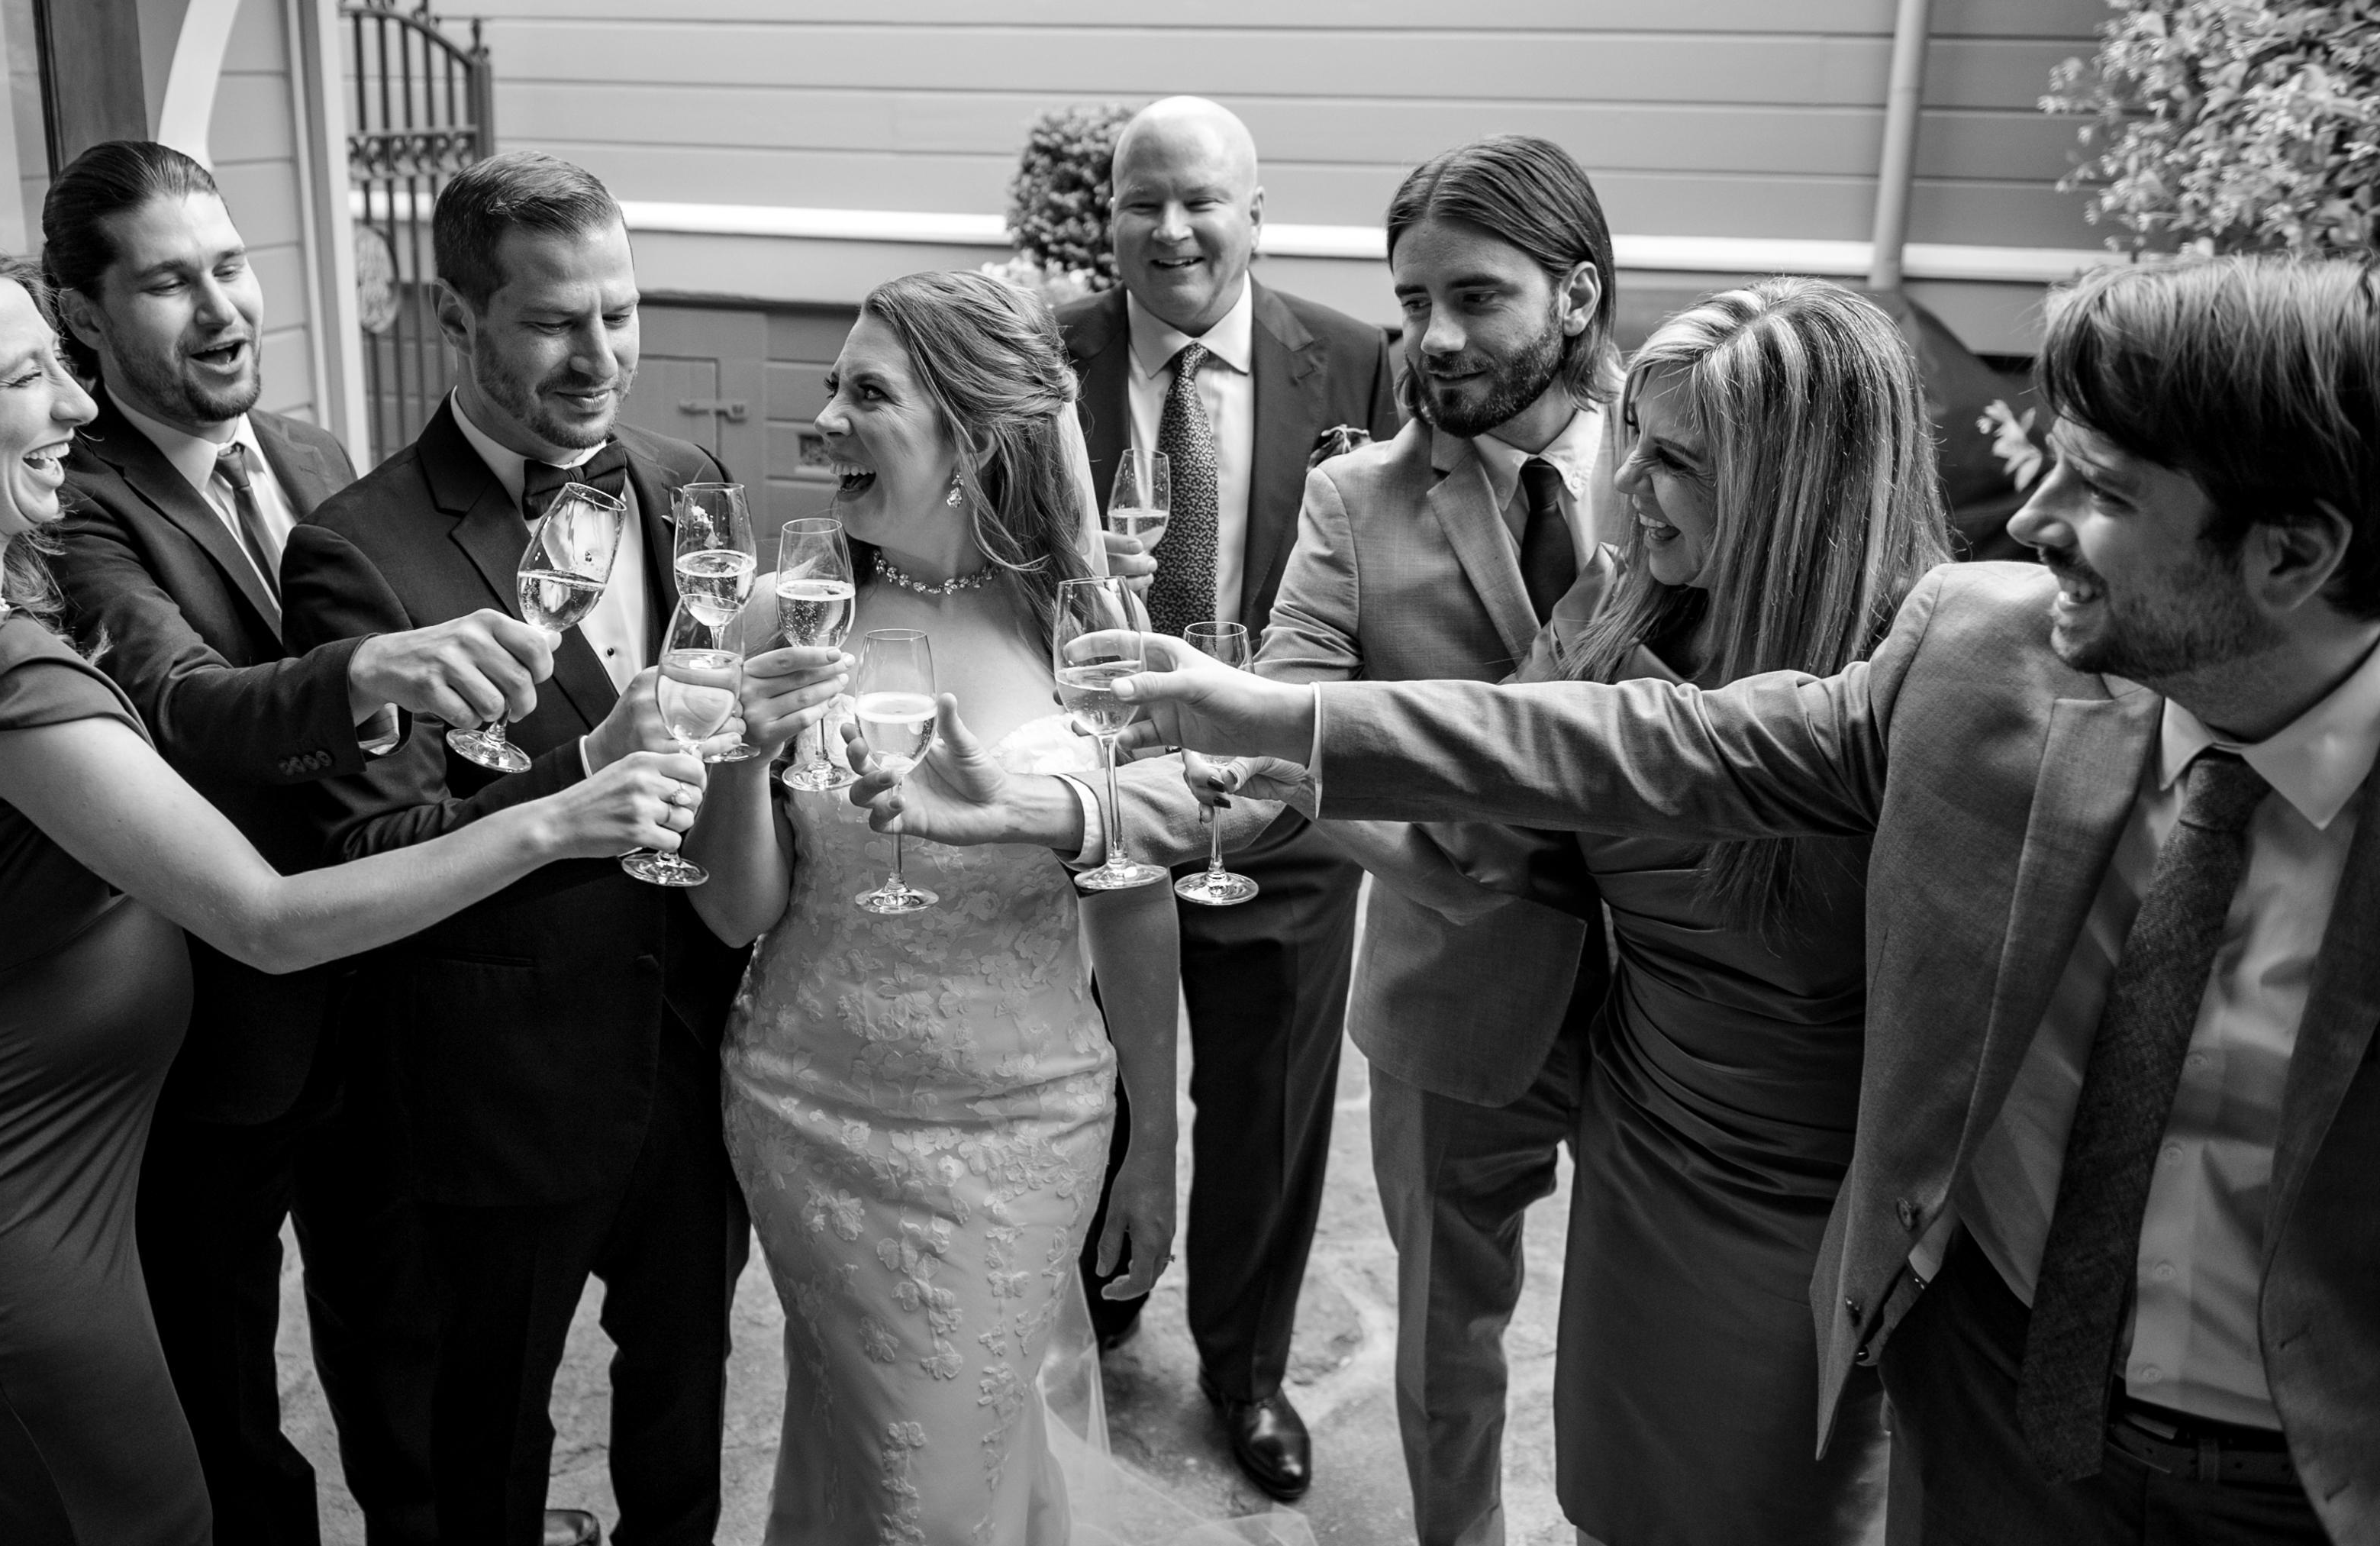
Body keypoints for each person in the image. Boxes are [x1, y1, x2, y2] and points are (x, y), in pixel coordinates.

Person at [1107, 254, 2380, 1546]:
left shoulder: (1971, 642)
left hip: (2278, 1466)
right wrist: (1269, 724)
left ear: (2293, 552)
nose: (2037, 523)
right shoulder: (1987, 651)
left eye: (2101, 489)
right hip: (1981, 1403)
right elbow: (1636, 745)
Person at [0, 231, 700, 1545]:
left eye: (60, 367)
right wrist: (562, 816)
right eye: (25, 378)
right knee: (147, 1517)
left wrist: (371, 684)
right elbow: (265, 918)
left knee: (22, 1514)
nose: (78, 406)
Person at [858, 134, 1621, 1546]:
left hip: (1679, 997)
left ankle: (1250, 1364)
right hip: (1441, 960)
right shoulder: (1361, 497)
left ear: (1575, 295)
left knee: (1648, 1374)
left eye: (1473, 299)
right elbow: (1273, 743)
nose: (1433, 340)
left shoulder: (1677, 459)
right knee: (1449, 1349)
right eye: (1414, 303)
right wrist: (1063, 807)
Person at [45, 140, 540, 1546]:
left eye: (230, 266)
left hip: (383, 987)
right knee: (220, 1373)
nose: (221, 310)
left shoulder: (312, 451)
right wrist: (373, 675)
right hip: (213, 1020)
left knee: (403, 1324)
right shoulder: (74, 501)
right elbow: (186, 706)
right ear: (83, 313)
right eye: (168, 284)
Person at [279, 152, 753, 1546]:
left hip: (693, 1055)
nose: (600, 356)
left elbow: (723, 741)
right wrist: (583, 767)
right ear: (457, 316)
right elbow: (374, 845)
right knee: (482, 1453)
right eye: (553, 321)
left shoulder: (687, 484)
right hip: (496, 1095)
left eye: (621, 311)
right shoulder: (357, 552)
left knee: (688, 1415)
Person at [680, 269, 1182, 1545]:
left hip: (1024, 1128)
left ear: (970, 436)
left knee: (943, 1478)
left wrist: (1157, 1147)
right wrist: (741, 751)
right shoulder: (787, 612)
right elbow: (736, 916)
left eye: (867, 394)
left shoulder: (1086, 623)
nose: (824, 422)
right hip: (812, 1111)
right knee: (888, 1461)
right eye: (830, 389)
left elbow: (1131, 894)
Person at [1492, 277, 1943, 1541]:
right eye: (1635, 437)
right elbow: (1476, 792)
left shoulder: (1922, 685)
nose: (1627, 480)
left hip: (1817, 1219)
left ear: (1798, 488)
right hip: (1639, 1157)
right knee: (1612, 1503)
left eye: (1676, 460)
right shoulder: (1612, 608)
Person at [1055, 96, 1401, 1502]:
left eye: (1201, 200)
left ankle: (1246, 1367)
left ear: (1257, 213)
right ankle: (1103, 1293)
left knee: (1269, 1108)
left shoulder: (1362, 365)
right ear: (1109, 217)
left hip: (1285, 815)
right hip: (1093, 805)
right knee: (1092, 1077)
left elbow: (1399, 575)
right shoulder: (1044, 356)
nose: (1172, 228)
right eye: (1142, 200)